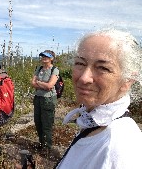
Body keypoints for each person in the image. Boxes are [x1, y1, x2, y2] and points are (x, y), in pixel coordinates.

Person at [55, 29, 142, 169]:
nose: (84, 78)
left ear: (127, 80)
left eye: (103, 68)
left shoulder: (117, 148)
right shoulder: (95, 124)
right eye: (80, 63)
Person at [31, 50, 59, 150]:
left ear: (51, 58)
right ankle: (42, 144)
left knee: (46, 124)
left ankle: (47, 149)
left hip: (48, 99)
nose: (44, 58)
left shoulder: (54, 70)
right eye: (42, 56)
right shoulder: (39, 68)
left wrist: (39, 83)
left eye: (46, 56)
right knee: (38, 122)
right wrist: (43, 84)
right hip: (38, 98)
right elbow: (32, 83)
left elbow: (50, 86)